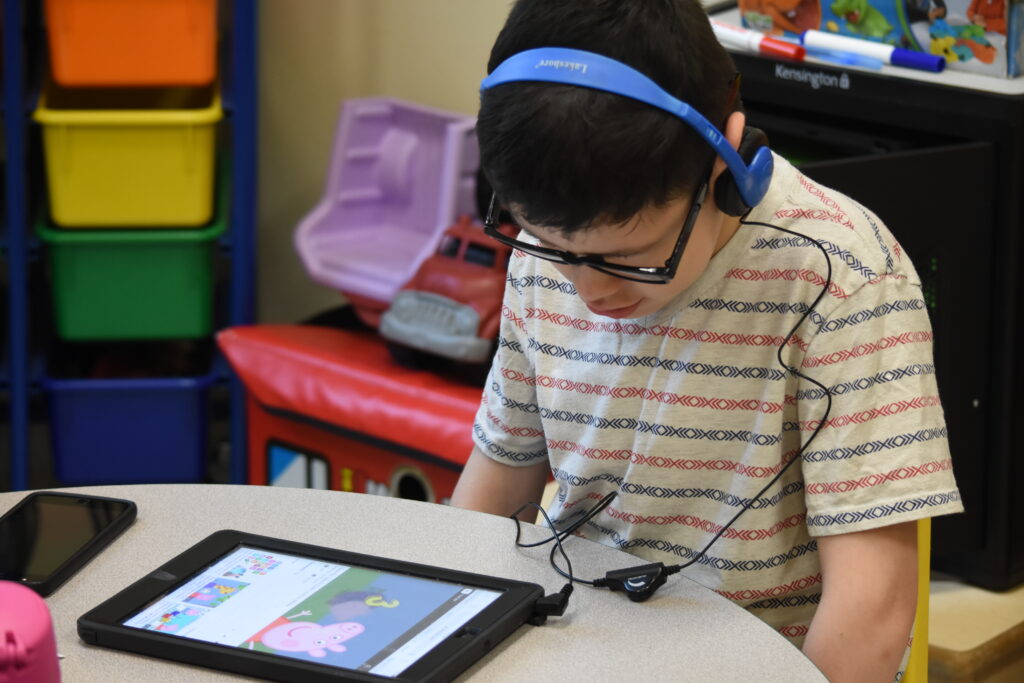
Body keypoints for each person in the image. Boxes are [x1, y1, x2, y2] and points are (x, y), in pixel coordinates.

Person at [450, 1, 963, 680]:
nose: (587, 290)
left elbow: (874, 608)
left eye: (630, 257)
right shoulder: (553, 253)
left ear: (730, 165)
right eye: (553, 247)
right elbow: (492, 499)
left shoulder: (842, 276)